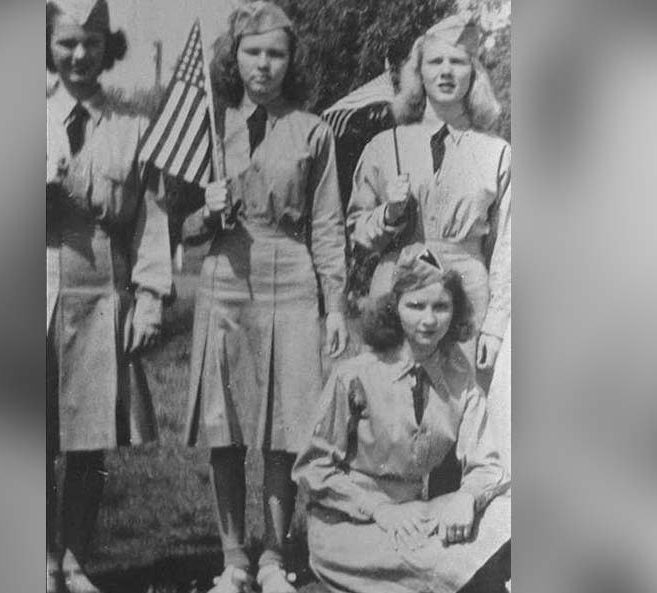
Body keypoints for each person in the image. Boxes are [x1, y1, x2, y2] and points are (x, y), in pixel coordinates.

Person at [182, 2, 348, 592]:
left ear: (290, 61)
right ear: (235, 56)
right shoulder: (209, 124)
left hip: (291, 277)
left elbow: (328, 226)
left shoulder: (312, 130)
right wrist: (207, 209)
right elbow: (179, 228)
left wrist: (335, 305)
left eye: (275, 53)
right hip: (224, 274)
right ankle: (233, 560)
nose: (264, 64)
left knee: (283, 428)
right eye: (253, 51)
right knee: (224, 424)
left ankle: (275, 558)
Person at [293, 243, 511, 593]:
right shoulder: (355, 374)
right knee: (454, 566)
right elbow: (313, 468)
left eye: (441, 307)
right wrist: (378, 508)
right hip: (349, 527)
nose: (429, 320)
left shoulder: (458, 376)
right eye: (416, 306)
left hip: (416, 517)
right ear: (394, 308)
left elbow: (488, 464)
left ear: (455, 311)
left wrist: (467, 496)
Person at [46, 1, 171, 591]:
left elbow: (148, 218)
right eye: (67, 42)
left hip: (100, 287)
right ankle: (40, 559)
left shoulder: (129, 124)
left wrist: (150, 297)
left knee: (90, 438)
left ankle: (75, 558)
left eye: (91, 43)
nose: (78, 55)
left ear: (107, 46)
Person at [346, 14, 511, 376]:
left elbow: (507, 248)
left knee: (463, 413)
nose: (447, 72)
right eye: (436, 62)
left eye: (458, 61)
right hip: (397, 292)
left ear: (474, 73)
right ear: (418, 73)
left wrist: (497, 326)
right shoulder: (384, 147)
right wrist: (388, 215)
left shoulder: (496, 152)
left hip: (467, 300)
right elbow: (357, 231)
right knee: (390, 405)